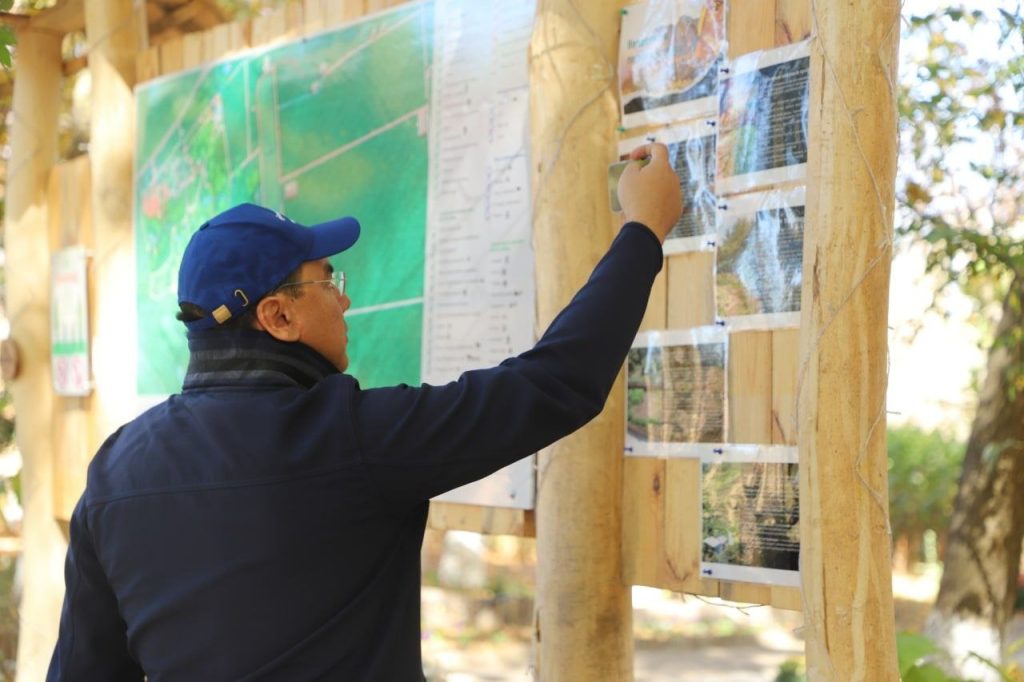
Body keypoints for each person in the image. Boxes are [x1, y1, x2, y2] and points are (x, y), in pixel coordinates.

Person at [46, 142, 682, 681]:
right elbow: (556, 383)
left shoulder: (114, 471)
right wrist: (643, 231)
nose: (343, 301)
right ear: (279, 316)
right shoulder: (350, 439)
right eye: (329, 281)